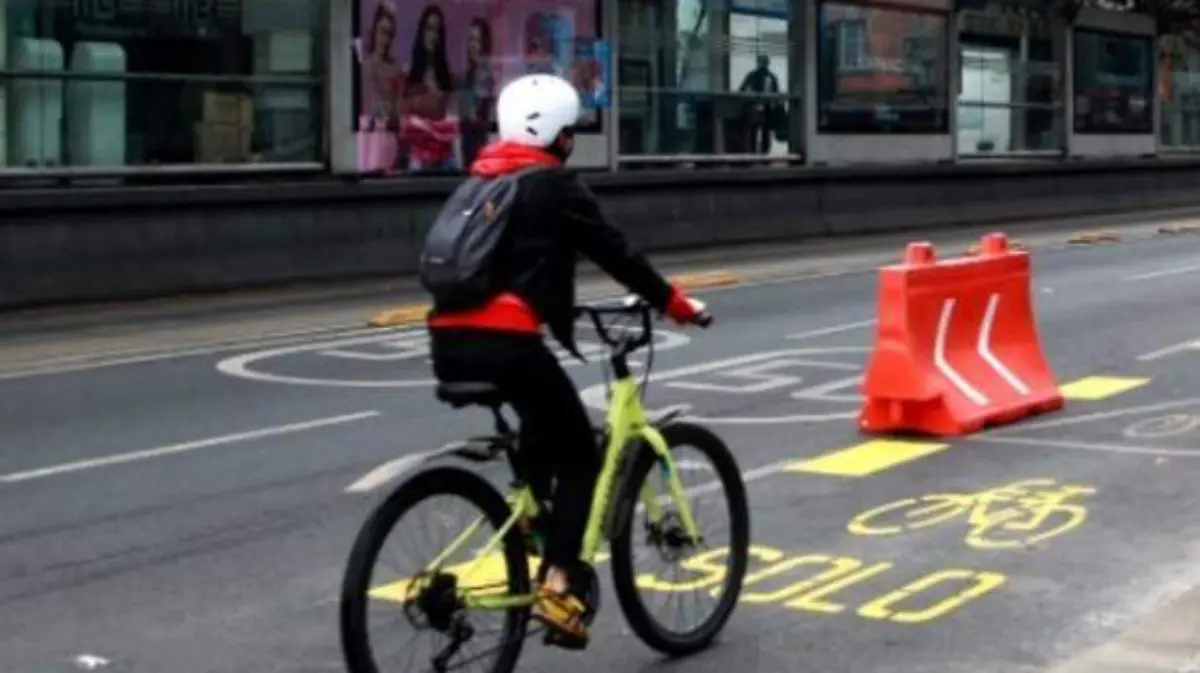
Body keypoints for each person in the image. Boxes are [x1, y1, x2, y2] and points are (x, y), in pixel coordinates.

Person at [424, 73, 704, 649]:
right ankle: (558, 586)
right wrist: (673, 303)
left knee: (541, 421)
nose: (572, 141)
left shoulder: (479, 180)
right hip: (506, 342)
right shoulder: (552, 186)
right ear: (557, 134)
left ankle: (532, 520)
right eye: (571, 131)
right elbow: (614, 251)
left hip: (447, 340)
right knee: (579, 450)